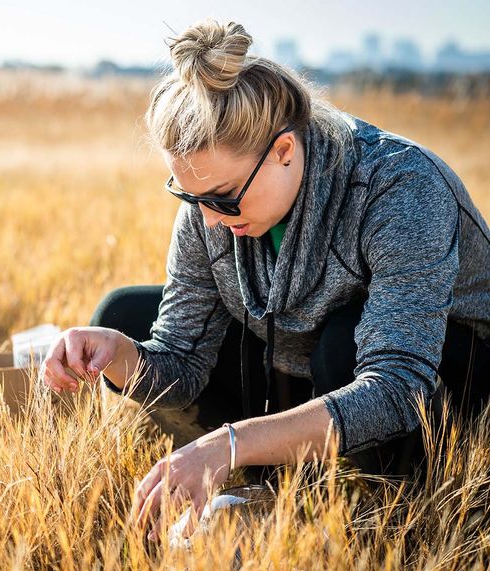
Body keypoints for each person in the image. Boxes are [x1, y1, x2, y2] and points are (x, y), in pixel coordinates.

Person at [41, 20, 490, 541]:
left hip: (446, 382)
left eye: (223, 198)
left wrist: (230, 442)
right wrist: (116, 352)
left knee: (343, 345)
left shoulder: (400, 188)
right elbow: (182, 361)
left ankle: (378, 509)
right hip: (299, 366)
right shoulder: (213, 207)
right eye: (190, 198)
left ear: (284, 151)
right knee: (122, 315)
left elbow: (395, 388)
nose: (209, 220)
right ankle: (265, 479)